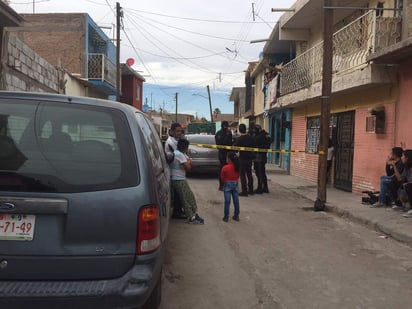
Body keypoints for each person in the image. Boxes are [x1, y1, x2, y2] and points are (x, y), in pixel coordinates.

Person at [170, 139, 204, 224]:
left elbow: (189, 164)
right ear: (185, 147)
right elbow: (188, 167)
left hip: (180, 178)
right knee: (186, 198)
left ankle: (193, 214)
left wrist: (188, 161)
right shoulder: (179, 155)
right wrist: (189, 161)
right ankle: (191, 217)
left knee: (189, 196)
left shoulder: (181, 154)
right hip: (178, 179)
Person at [164, 123, 186, 219]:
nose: (179, 133)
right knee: (177, 193)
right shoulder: (171, 142)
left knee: (178, 193)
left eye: (180, 131)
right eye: (177, 131)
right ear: (171, 132)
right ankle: (177, 213)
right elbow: (181, 153)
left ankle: (178, 210)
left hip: (177, 170)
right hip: (173, 171)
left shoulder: (177, 140)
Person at [234, 123, 256, 196]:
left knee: (242, 175)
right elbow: (254, 147)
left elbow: (236, 149)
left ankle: (244, 191)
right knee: (249, 174)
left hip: (242, 159)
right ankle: (251, 190)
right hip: (250, 158)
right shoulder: (251, 138)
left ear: (240, 130)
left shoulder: (239, 139)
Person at [221, 152, 240, 222]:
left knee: (227, 201)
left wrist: (224, 183)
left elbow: (222, 178)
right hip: (235, 184)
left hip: (227, 184)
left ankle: (226, 217)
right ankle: (236, 215)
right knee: (236, 201)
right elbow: (238, 176)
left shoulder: (225, 167)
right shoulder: (237, 167)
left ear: (229, 159)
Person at [253, 124, 272, 194]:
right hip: (263, 156)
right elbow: (270, 141)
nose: (254, 131)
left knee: (259, 172)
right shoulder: (266, 135)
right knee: (262, 172)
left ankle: (260, 188)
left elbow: (254, 142)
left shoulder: (259, 136)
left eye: (255, 130)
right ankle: (265, 187)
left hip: (259, 156)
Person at [215, 120, 233, 190]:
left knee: (229, 170)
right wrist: (227, 135)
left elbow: (230, 143)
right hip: (222, 154)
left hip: (229, 154)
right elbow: (221, 144)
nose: (227, 128)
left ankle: (228, 184)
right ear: (223, 126)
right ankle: (221, 185)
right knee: (222, 170)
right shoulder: (219, 134)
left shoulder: (229, 133)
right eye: (226, 126)